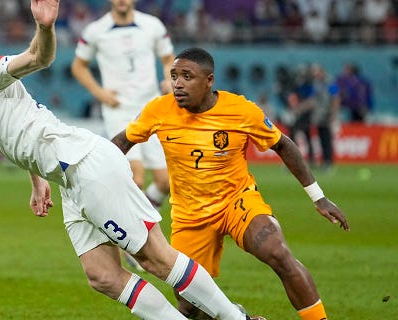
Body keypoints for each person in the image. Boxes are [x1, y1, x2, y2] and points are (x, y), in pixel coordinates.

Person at [0, 2, 263, 319]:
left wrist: (45, 28)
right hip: (68, 179)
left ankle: (236, 318)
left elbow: (37, 58)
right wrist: (37, 179)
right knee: (103, 276)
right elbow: (11, 132)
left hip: (85, 165)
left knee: (154, 257)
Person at [111, 47, 350, 320]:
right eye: (174, 76)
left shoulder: (240, 110)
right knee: (189, 305)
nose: (177, 83)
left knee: (277, 252)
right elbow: (121, 142)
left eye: (187, 76)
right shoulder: (159, 110)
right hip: (190, 217)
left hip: (236, 202)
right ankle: (235, 317)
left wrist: (318, 197)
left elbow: (283, 145)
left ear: (209, 80)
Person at [70, 0, 173, 270]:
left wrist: (169, 80)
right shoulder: (96, 30)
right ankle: (133, 242)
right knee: (136, 177)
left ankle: (140, 226)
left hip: (151, 110)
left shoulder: (152, 26)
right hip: (119, 113)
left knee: (165, 182)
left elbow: (167, 59)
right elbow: (78, 66)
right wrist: (101, 93)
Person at [308, 63, 340, 171]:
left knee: (327, 138)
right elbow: (313, 99)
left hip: (327, 114)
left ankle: (329, 162)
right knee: (322, 138)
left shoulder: (329, 82)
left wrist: (333, 114)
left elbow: (335, 98)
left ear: (322, 71)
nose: (315, 74)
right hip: (318, 116)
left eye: (316, 72)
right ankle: (324, 161)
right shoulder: (316, 83)